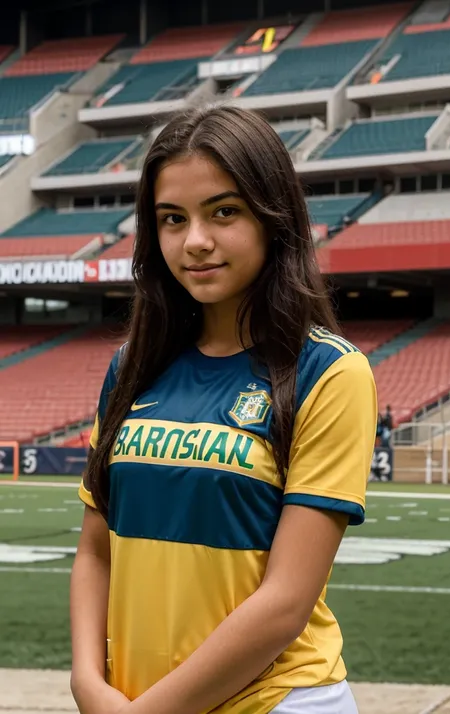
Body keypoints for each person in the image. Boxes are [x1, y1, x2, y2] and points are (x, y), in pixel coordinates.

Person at [70, 105, 377, 714]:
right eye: (172, 219)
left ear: (274, 217)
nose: (196, 241)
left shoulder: (329, 372)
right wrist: (87, 683)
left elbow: (286, 603)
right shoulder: (133, 365)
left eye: (224, 212)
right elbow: (95, 549)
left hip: (278, 700)